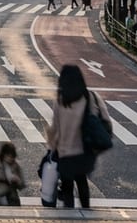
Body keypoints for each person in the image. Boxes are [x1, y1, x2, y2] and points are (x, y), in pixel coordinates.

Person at [45, 65, 112, 209]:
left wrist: (51, 149)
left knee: (67, 188)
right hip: (85, 152)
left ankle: (69, 215)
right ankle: (85, 212)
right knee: (82, 183)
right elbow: (105, 119)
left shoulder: (59, 101)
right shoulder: (90, 97)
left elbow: (56, 129)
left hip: (65, 154)